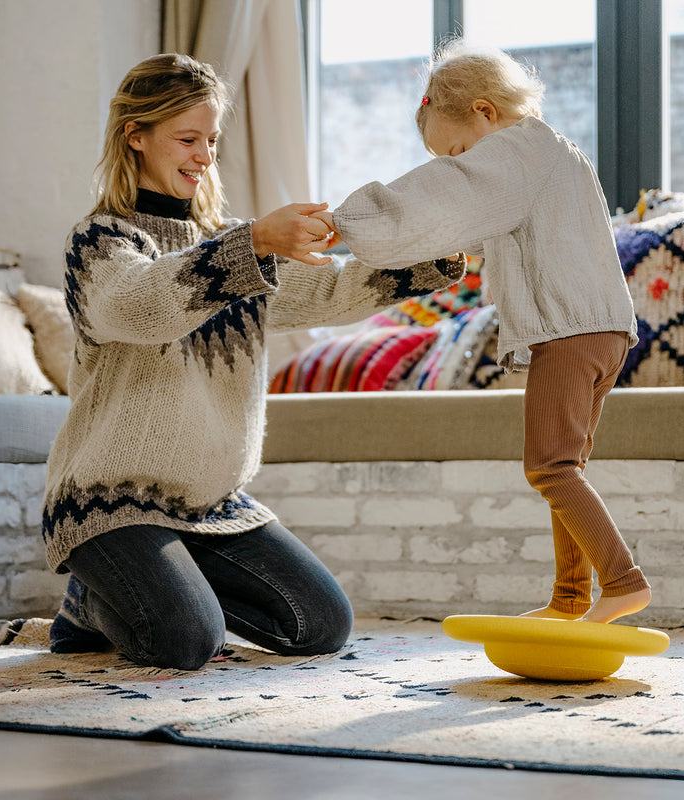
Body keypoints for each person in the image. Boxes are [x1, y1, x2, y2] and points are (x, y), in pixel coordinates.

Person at [43, 52, 464, 670]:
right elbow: (143, 307)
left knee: (320, 625)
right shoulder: (102, 241)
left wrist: (435, 257)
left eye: (211, 139)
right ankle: (91, 601)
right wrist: (255, 243)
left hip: (212, 506)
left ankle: (155, 589)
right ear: (136, 136)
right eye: (187, 139)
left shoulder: (232, 245)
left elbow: (328, 290)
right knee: (183, 644)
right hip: (110, 500)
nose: (203, 155)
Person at [320, 43, 651, 624]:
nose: (461, 165)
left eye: (458, 152)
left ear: (485, 112)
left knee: (548, 467)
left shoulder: (513, 154)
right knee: (566, 469)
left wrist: (346, 223)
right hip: (604, 331)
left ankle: (623, 581)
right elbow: (495, 229)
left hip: (568, 332)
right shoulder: (553, 154)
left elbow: (443, 195)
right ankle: (570, 599)